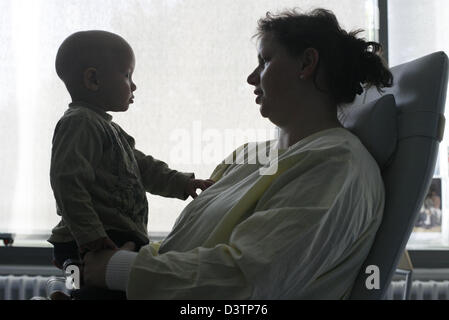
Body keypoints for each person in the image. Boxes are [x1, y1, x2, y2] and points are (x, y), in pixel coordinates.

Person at [83, 8, 393, 299]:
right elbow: (194, 248)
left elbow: (249, 279)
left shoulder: (337, 164)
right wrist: (125, 255)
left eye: (265, 61)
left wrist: (117, 269)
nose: (251, 78)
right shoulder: (251, 155)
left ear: (306, 63)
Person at [48, 31, 214, 297]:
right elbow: (67, 182)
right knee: (96, 291)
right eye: (127, 76)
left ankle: (66, 294)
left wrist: (183, 183)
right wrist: (90, 235)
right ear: (93, 79)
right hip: (90, 239)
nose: (133, 85)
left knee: (101, 291)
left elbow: (145, 168)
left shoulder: (111, 131)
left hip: (111, 236)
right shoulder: (79, 123)